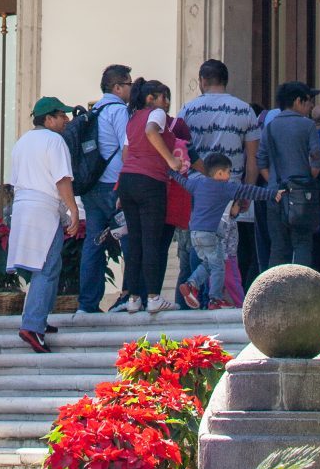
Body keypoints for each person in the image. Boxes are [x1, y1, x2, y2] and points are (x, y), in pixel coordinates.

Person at [177, 59, 261, 294]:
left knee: (198, 241)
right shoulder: (244, 110)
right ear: (225, 80)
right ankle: (215, 297)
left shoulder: (188, 110)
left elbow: (180, 151)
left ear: (202, 81)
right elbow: (253, 157)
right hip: (229, 188)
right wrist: (247, 191)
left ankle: (196, 295)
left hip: (195, 186)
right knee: (222, 246)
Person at [6, 98, 79, 353]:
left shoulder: (22, 142)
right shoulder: (54, 140)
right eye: (61, 115)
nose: (66, 120)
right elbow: (62, 179)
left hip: (24, 207)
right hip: (44, 209)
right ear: (48, 119)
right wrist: (73, 209)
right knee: (46, 267)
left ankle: (40, 318)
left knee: (49, 266)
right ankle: (33, 325)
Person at [112, 78, 188, 316]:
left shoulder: (132, 118)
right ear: (151, 98)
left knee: (135, 242)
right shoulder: (156, 114)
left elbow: (126, 155)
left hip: (127, 180)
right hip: (151, 181)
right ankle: (153, 297)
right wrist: (170, 160)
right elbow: (151, 131)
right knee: (152, 240)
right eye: (164, 97)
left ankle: (134, 298)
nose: (167, 103)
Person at [177, 155, 281, 309]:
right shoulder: (225, 187)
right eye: (228, 172)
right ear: (219, 173)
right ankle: (215, 299)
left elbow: (183, 181)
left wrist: (170, 171)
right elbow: (250, 191)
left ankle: (191, 284)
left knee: (208, 263)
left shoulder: (197, 183)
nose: (230, 175)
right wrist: (272, 194)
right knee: (219, 266)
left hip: (194, 234)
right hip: (209, 234)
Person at [78, 65, 133, 313]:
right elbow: (127, 147)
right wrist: (127, 184)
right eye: (128, 84)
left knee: (93, 244)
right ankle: (130, 296)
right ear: (117, 87)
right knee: (129, 240)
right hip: (114, 186)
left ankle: (87, 304)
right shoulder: (119, 111)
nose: (131, 89)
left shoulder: (95, 111)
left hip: (92, 189)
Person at [259, 81, 320, 268]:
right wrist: (308, 177)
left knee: (278, 247)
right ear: (297, 101)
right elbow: (317, 158)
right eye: (308, 101)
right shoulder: (308, 125)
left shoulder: (270, 127)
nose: (311, 106)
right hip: (302, 195)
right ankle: (301, 293)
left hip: (275, 194)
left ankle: (274, 293)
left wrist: (273, 181)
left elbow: (261, 160)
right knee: (302, 244)